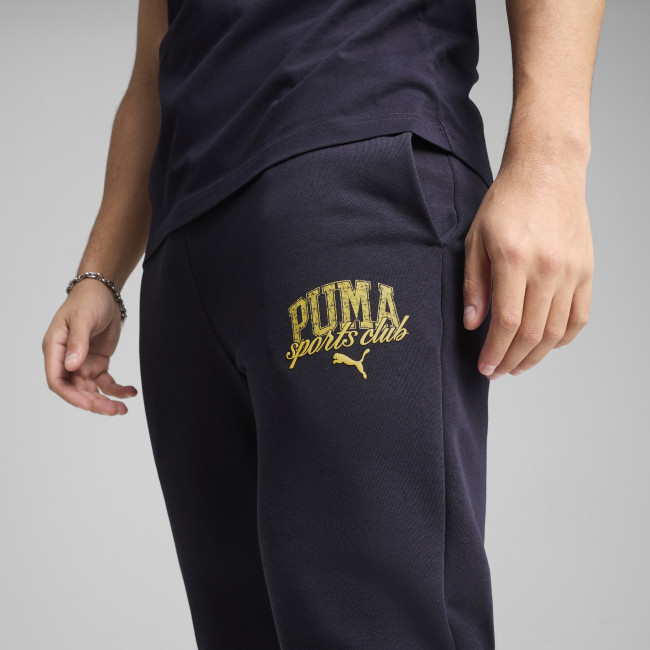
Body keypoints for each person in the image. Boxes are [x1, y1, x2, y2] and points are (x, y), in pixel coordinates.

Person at [42, 0, 605, 647]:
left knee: (377, 627)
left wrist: (550, 161)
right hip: (187, 238)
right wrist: (99, 273)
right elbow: (153, 67)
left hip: (351, 159)